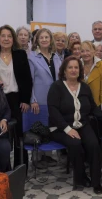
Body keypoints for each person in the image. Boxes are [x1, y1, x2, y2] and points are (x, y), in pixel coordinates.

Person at [47, 56, 102, 195]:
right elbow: (53, 112)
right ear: (64, 71)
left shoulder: (85, 87)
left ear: (80, 70)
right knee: (75, 144)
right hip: (60, 127)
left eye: (76, 67)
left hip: (82, 124)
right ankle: (81, 176)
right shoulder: (56, 87)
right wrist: (68, 129)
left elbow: (93, 108)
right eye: (70, 67)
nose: (73, 70)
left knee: (94, 145)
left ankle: (96, 181)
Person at [0, 25, 33, 169]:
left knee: (19, 135)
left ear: (13, 39)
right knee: (0, 134)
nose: (6, 39)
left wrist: (25, 99)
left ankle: (21, 168)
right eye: (3, 36)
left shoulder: (20, 54)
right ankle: (2, 169)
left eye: (9, 36)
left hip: (17, 99)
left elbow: (27, 79)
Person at [28, 28, 61, 167]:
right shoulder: (32, 57)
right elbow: (29, 80)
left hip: (55, 98)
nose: (44, 40)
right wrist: (32, 99)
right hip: (39, 98)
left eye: (47, 37)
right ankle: (37, 158)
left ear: (50, 39)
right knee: (39, 126)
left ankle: (47, 156)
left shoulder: (56, 56)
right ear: (37, 40)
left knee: (51, 126)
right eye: (41, 37)